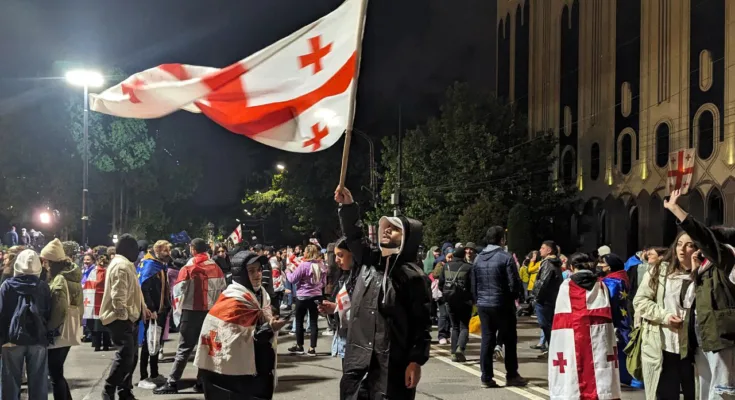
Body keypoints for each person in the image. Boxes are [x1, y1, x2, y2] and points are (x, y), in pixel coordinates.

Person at [336, 186, 432, 400]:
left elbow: (421, 324)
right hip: (359, 360)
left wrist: (415, 362)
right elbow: (353, 235)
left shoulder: (413, 277)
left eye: (394, 228)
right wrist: (348, 206)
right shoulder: (369, 263)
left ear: (408, 236)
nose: (387, 230)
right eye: (386, 226)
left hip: (392, 364)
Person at [663, 189, 735, 399]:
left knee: (722, 391)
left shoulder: (727, 258)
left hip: (721, 337)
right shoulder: (708, 267)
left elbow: (706, 239)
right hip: (703, 336)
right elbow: (696, 298)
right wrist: (695, 270)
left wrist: (677, 210)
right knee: (704, 388)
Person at [195, 251, 287, 399]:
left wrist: (270, 326)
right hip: (236, 375)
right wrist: (269, 328)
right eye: (251, 271)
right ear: (241, 274)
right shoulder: (233, 301)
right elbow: (233, 340)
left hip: (260, 367)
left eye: (259, 269)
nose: (257, 275)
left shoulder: (262, 295)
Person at [154, 238, 227, 395]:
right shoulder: (216, 267)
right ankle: (202, 381)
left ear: (193, 249)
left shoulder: (189, 267)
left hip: (192, 312)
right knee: (207, 348)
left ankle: (172, 382)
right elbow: (223, 290)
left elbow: (178, 292)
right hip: (212, 313)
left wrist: (177, 312)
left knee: (184, 348)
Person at [548, 253, 621, 399]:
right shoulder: (601, 285)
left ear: (572, 267)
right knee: (600, 367)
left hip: (571, 334)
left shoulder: (566, 286)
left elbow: (560, 317)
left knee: (572, 367)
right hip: (598, 335)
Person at [633, 232, 696, 400]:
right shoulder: (660, 271)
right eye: (679, 244)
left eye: (689, 245)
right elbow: (640, 301)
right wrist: (666, 316)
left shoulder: (706, 274)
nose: (682, 249)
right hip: (663, 346)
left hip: (695, 350)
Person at [471, 226, 527, 387]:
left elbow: (474, 283)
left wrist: (477, 300)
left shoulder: (478, 258)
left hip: (483, 304)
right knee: (509, 339)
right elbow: (514, 283)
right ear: (502, 240)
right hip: (502, 304)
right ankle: (512, 374)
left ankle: (486, 377)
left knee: (487, 339)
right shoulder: (505, 257)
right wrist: (515, 298)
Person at [0, 249, 51, 400]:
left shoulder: (7, 285)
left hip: (12, 339)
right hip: (38, 338)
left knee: (10, 381)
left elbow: (1, 313)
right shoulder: (43, 286)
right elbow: (48, 311)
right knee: (39, 382)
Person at [100, 234, 146, 400]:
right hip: (120, 319)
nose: (138, 253)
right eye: (136, 250)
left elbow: (135, 291)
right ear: (129, 249)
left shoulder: (125, 264)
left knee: (131, 356)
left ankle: (125, 391)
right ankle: (108, 390)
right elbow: (118, 297)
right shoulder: (121, 266)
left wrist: (143, 308)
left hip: (128, 317)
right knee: (125, 356)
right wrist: (124, 317)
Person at [42, 238, 83, 400]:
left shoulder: (59, 280)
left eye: (45, 261)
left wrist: (49, 329)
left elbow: (58, 311)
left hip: (59, 331)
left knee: (55, 374)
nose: (44, 264)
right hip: (69, 329)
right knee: (58, 372)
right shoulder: (71, 275)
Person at [599, 253, 642, 389]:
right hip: (622, 319)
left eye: (602, 263)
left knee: (619, 349)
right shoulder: (620, 277)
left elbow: (608, 299)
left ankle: (630, 378)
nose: (599, 265)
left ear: (610, 266)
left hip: (616, 320)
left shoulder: (613, 281)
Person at [137, 240, 172, 389]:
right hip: (153, 312)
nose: (168, 254)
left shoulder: (159, 265)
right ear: (157, 251)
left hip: (161, 310)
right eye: (165, 251)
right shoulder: (150, 265)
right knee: (148, 342)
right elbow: (144, 288)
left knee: (156, 343)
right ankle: (144, 377)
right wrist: (151, 309)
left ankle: (154, 373)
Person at [286, 244, 326, 356]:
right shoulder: (322, 266)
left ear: (307, 253)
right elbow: (324, 283)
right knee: (313, 322)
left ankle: (300, 346)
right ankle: (312, 348)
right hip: (317, 296)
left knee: (299, 321)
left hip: (302, 296)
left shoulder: (303, 265)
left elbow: (293, 279)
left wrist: (288, 272)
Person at [440, 246, 473, 362]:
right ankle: (460, 348)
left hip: (449, 301)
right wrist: (472, 299)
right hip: (464, 301)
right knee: (464, 326)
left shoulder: (446, 266)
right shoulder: (468, 267)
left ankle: (453, 352)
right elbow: (472, 286)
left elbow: (441, 283)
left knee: (454, 327)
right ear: (463, 255)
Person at [532, 240, 563, 353]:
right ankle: (552, 348)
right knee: (549, 324)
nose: (540, 250)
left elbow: (543, 282)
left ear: (549, 250)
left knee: (546, 325)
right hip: (551, 298)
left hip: (544, 300)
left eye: (542, 248)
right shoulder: (554, 263)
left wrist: (535, 297)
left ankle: (552, 349)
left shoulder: (548, 263)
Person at [83, 254, 112, 351]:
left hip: (95, 301)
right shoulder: (109, 271)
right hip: (106, 300)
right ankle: (107, 344)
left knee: (96, 323)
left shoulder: (94, 271)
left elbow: (89, 285)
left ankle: (96, 344)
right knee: (106, 322)